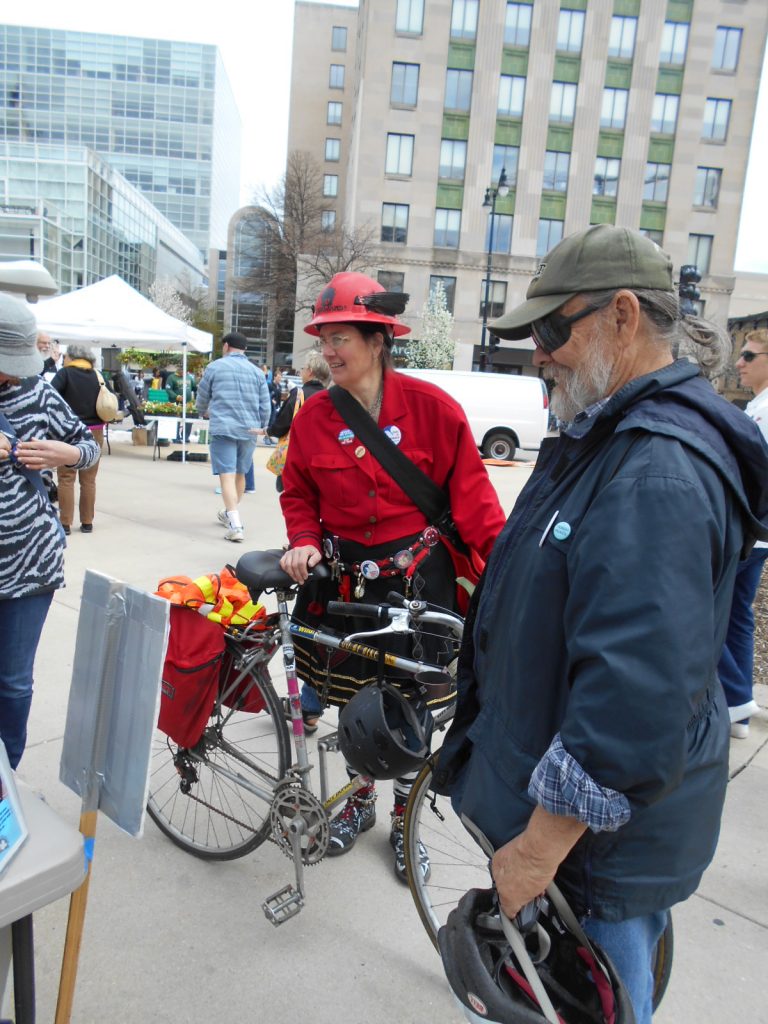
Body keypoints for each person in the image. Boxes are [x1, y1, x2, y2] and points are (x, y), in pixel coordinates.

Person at [432, 225, 768, 1024]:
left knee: (596, 1006)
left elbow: (634, 696)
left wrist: (539, 849)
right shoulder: (608, 438)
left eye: (552, 330)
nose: (539, 353)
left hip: (594, 852)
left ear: (623, 315)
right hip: (587, 837)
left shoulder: (656, 469)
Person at [279, 271, 506, 880]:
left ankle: (406, 820)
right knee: (351, 701)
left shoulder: (435, 412)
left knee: (414, 707)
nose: (328, 350)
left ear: (378, 340)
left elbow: (478, 506)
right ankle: (358, 804)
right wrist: (302, 540)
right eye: (323, 337)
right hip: (342, 584)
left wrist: (511, 577)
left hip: (418, 584)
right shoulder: (313, 418)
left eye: (341, 337)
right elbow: (296, 489)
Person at [0, 294, 99, 769]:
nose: (11, 373)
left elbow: (89, 447)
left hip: (30, 563)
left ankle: (6, 784)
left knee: (13, 681)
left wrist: (65, 454)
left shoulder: (38, 393)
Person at [718, 327, 768, 738]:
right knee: (736, 617)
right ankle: (740, 713)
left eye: (749, 356)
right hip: (758, 531)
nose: (740, 362)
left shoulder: (764, 411)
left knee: (703, 607)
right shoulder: (758, 406)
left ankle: (734, 698)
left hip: (750, 530)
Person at [195, 330, 270, 543]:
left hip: (224, 426)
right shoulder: (257, 372)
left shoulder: (215, 366)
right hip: (249, 429)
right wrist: (263, 427)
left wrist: (203, 411)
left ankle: (235, 524)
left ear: (226, 346)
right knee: (240, 473)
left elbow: (202, 395)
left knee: (226, 475)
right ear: (244, 349)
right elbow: (265, 404)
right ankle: (230, 511)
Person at [51, 344, 108, 535]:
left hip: (69, 431)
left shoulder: (64, 374)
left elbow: (51, 397)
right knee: (89, 479)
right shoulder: (97, 375)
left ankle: (65, 523)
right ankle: (87, 522)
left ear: (71, 357)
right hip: (95, 432)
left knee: (66, 478)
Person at [270, 349, 331, 495]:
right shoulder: (330, 396)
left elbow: (281, 425)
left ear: (310, 372)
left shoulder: (298, 395)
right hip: (323, 458)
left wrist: (269, 431)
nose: (301, 372)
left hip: (297, 457)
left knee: (294, 498)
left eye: (303, 369)